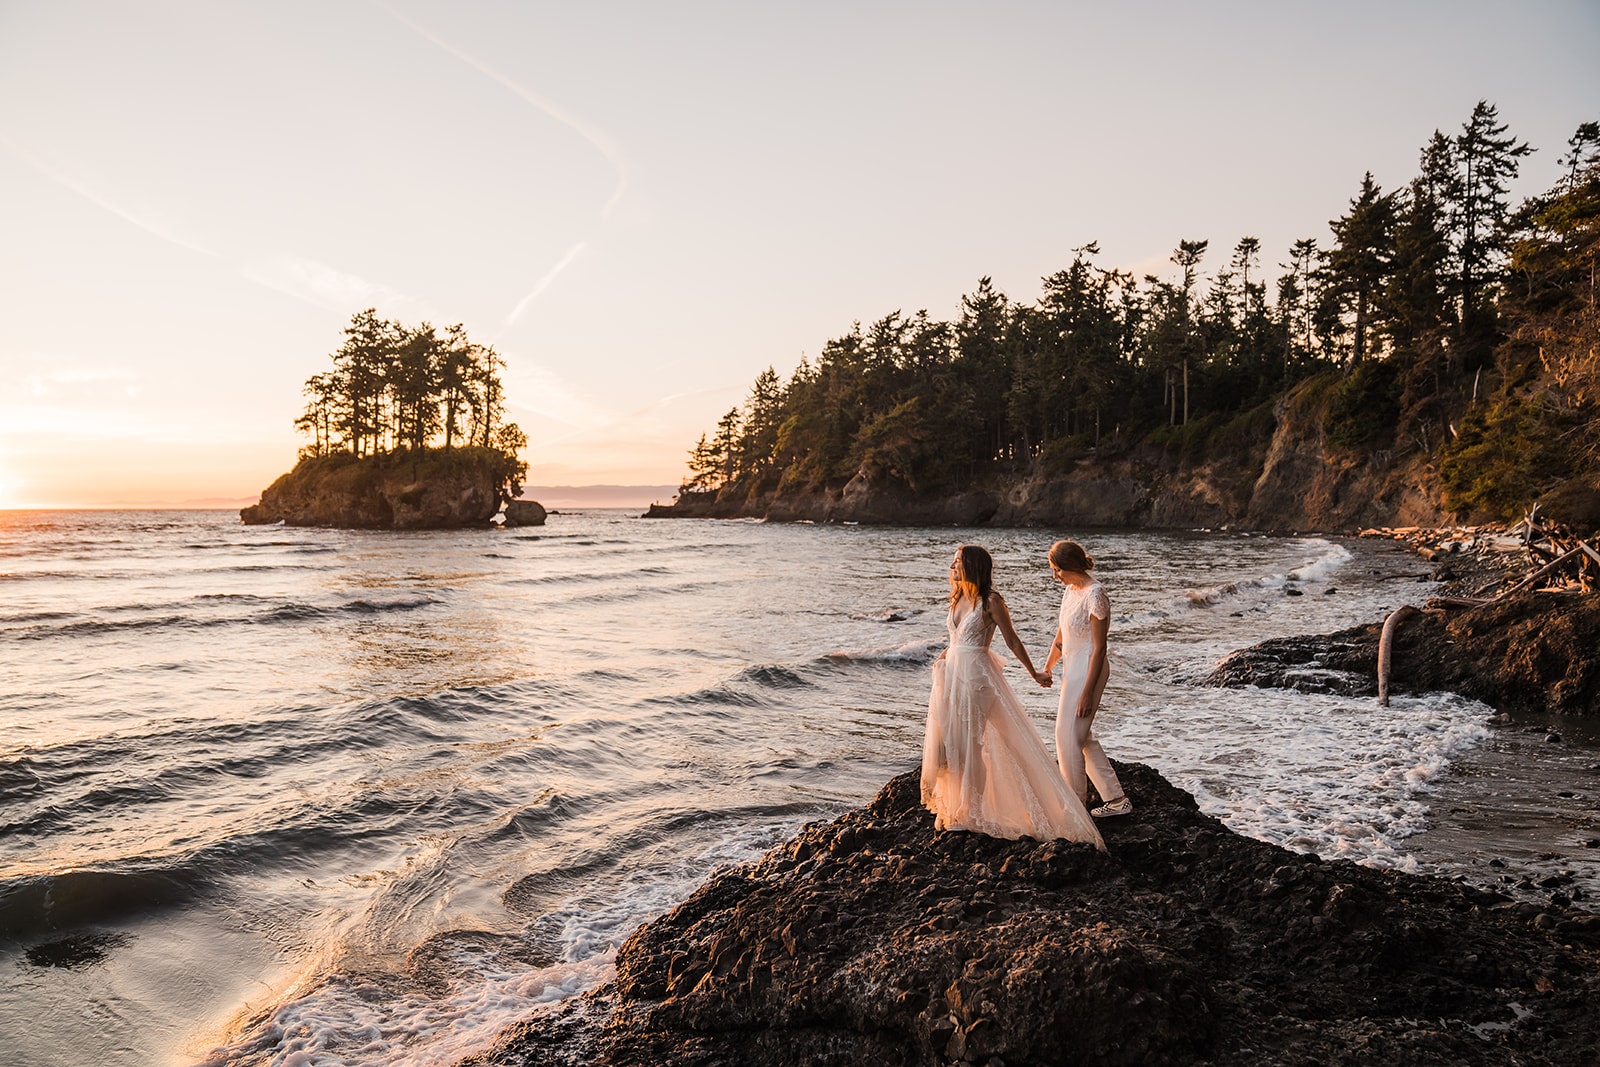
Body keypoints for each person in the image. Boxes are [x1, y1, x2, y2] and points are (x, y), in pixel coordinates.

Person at [920, 545, 1104, 847]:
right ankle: (956, 809)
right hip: (951, 676)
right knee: (952, 743)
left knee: (972, 743)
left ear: (973, 566)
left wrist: (1035, 673)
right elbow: (956, 639)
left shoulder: (991, 601)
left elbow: (1012, 641)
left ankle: (972, 813)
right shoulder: (957, 598)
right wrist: (944, 657)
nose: (951, 567)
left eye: (957, 563)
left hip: (978, 679)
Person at [1040, 539, 1131, 817]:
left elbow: (1099, 647)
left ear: (1069, 566)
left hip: (1090, 668)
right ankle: (1117, 800)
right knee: (1082, 736)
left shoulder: (1096, 594)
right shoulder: (1070, 591)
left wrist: (1088, 693)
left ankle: (1075, 807)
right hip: (1072, 669)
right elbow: (1062, 635)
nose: (1055, 576)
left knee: (1067, 737)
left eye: (1057, 570)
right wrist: (1048, 668)